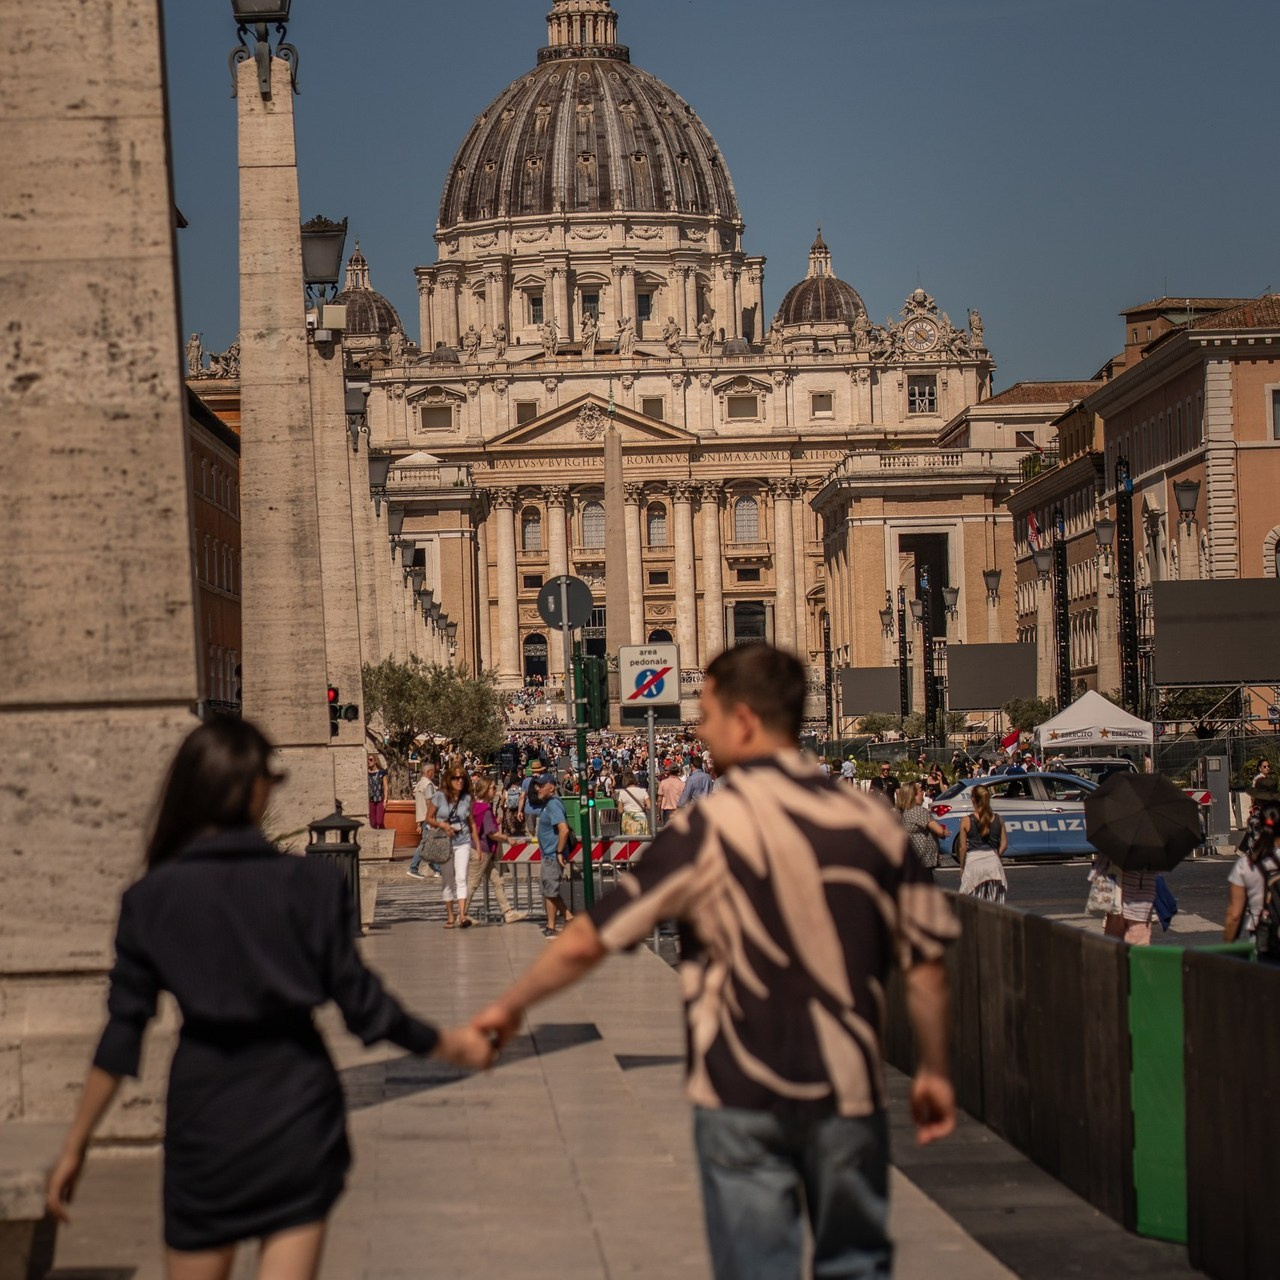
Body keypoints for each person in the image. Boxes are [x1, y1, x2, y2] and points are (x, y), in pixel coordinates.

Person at [471, 646, 958, 1278]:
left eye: (709, 715)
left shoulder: (708, 829)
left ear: (745, 720)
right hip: (847, 1091)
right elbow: (926, 965)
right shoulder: (871, 821)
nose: (699, 730)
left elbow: (592, 937)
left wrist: (512, 1005)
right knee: (857, 1266)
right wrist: (934, 1069)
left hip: (740, 1092)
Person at [45, 719, 491, 1280]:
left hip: (206, 1117)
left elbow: (122, 1033)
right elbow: (366, 1008)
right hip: (296, 1111)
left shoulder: (151, 898)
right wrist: (451, 1045)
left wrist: (76, 1144)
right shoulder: (310, 887)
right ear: (258, 788)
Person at [427, 756, 479, 928]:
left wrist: (477, 845)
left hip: (462, 841)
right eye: (456, 778)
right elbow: (429, 818)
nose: (459, 781)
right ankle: (450, 915)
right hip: (444, 842)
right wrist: (442, 824)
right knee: (448, 879)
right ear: (449, 780)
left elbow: (471, 822)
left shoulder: (467, 798)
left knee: (461, 877)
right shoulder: (439, 797)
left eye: (462, 777)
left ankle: (462, 915)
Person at [468, 777, 527, 925]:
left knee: (497, 880)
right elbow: (491, 833)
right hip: (482, 850)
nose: (495, 791)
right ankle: (461, 914)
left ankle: (508, 912)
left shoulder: (475, 807)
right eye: (493, 788)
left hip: (481, 850)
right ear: (485, 790)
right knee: (473, 883)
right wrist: (508, 839)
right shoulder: (485, 810)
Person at [531, 774, 575, 936]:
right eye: (537, 786)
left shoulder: (553, 804)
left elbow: (563, 829)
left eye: (541, 786)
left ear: (551, 787)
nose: (538, 789)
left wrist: (559, 852)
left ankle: (551, 926)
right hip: (549, 855)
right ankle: (569, 918)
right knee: (549, 890)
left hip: (552, 855)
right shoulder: (548, 804)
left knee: (550, 891)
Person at [956, 784, 1008, 903]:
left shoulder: (966, 820)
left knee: (972, 905)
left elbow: (963, 848)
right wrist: (995, 855)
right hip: (993, 865)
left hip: (973, 864)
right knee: (994, 906)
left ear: (973, 799)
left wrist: (962, 867)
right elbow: (1004, 844)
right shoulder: (998, 818)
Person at [897, 781, 949, 878]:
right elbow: (938, 830)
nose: (923, 793)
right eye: (920, 791)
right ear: (913, 795)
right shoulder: (918, 811)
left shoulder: (903, 812)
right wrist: (944, 832)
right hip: (923, 860)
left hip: (911, 857)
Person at [407, 761, 438, 878]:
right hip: (428, 817)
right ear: (429, 772)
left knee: (430, 842)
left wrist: (419, 823)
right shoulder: (428, 785)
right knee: (425, 843)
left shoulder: (419, 784)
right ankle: (413, 867)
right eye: (433, 772)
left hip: (423, 817)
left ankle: (437, 868)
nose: (434, 774)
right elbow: (429, 802)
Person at [616, 767, 651, 837]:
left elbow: (620, 810)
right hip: (641, 816)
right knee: (642, 840)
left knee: (629, 840)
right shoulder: (643, 791)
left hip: (627, 818)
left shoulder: (622, 793)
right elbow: (649, 806)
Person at [517, 760, 548, 836]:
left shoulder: (526, 781)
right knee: (540, 834)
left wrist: (519, 811)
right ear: (541, 770)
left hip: (529, 810)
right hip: (542, 810)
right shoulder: (545, 781)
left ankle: (532, 841)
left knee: (531, 834)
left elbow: (522, 797)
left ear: (531, 771)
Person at [366, 754, 388, 829]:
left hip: (379, 799)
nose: (369, 761)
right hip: (370, 800)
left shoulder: (382, 773)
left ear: (375, 761)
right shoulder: (366, 773)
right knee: (373, 823)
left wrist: (385, 800)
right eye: (368, 760)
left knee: (379, 821)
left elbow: (385, 786)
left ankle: (382, 832)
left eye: (371, 759)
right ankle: (376, 835)